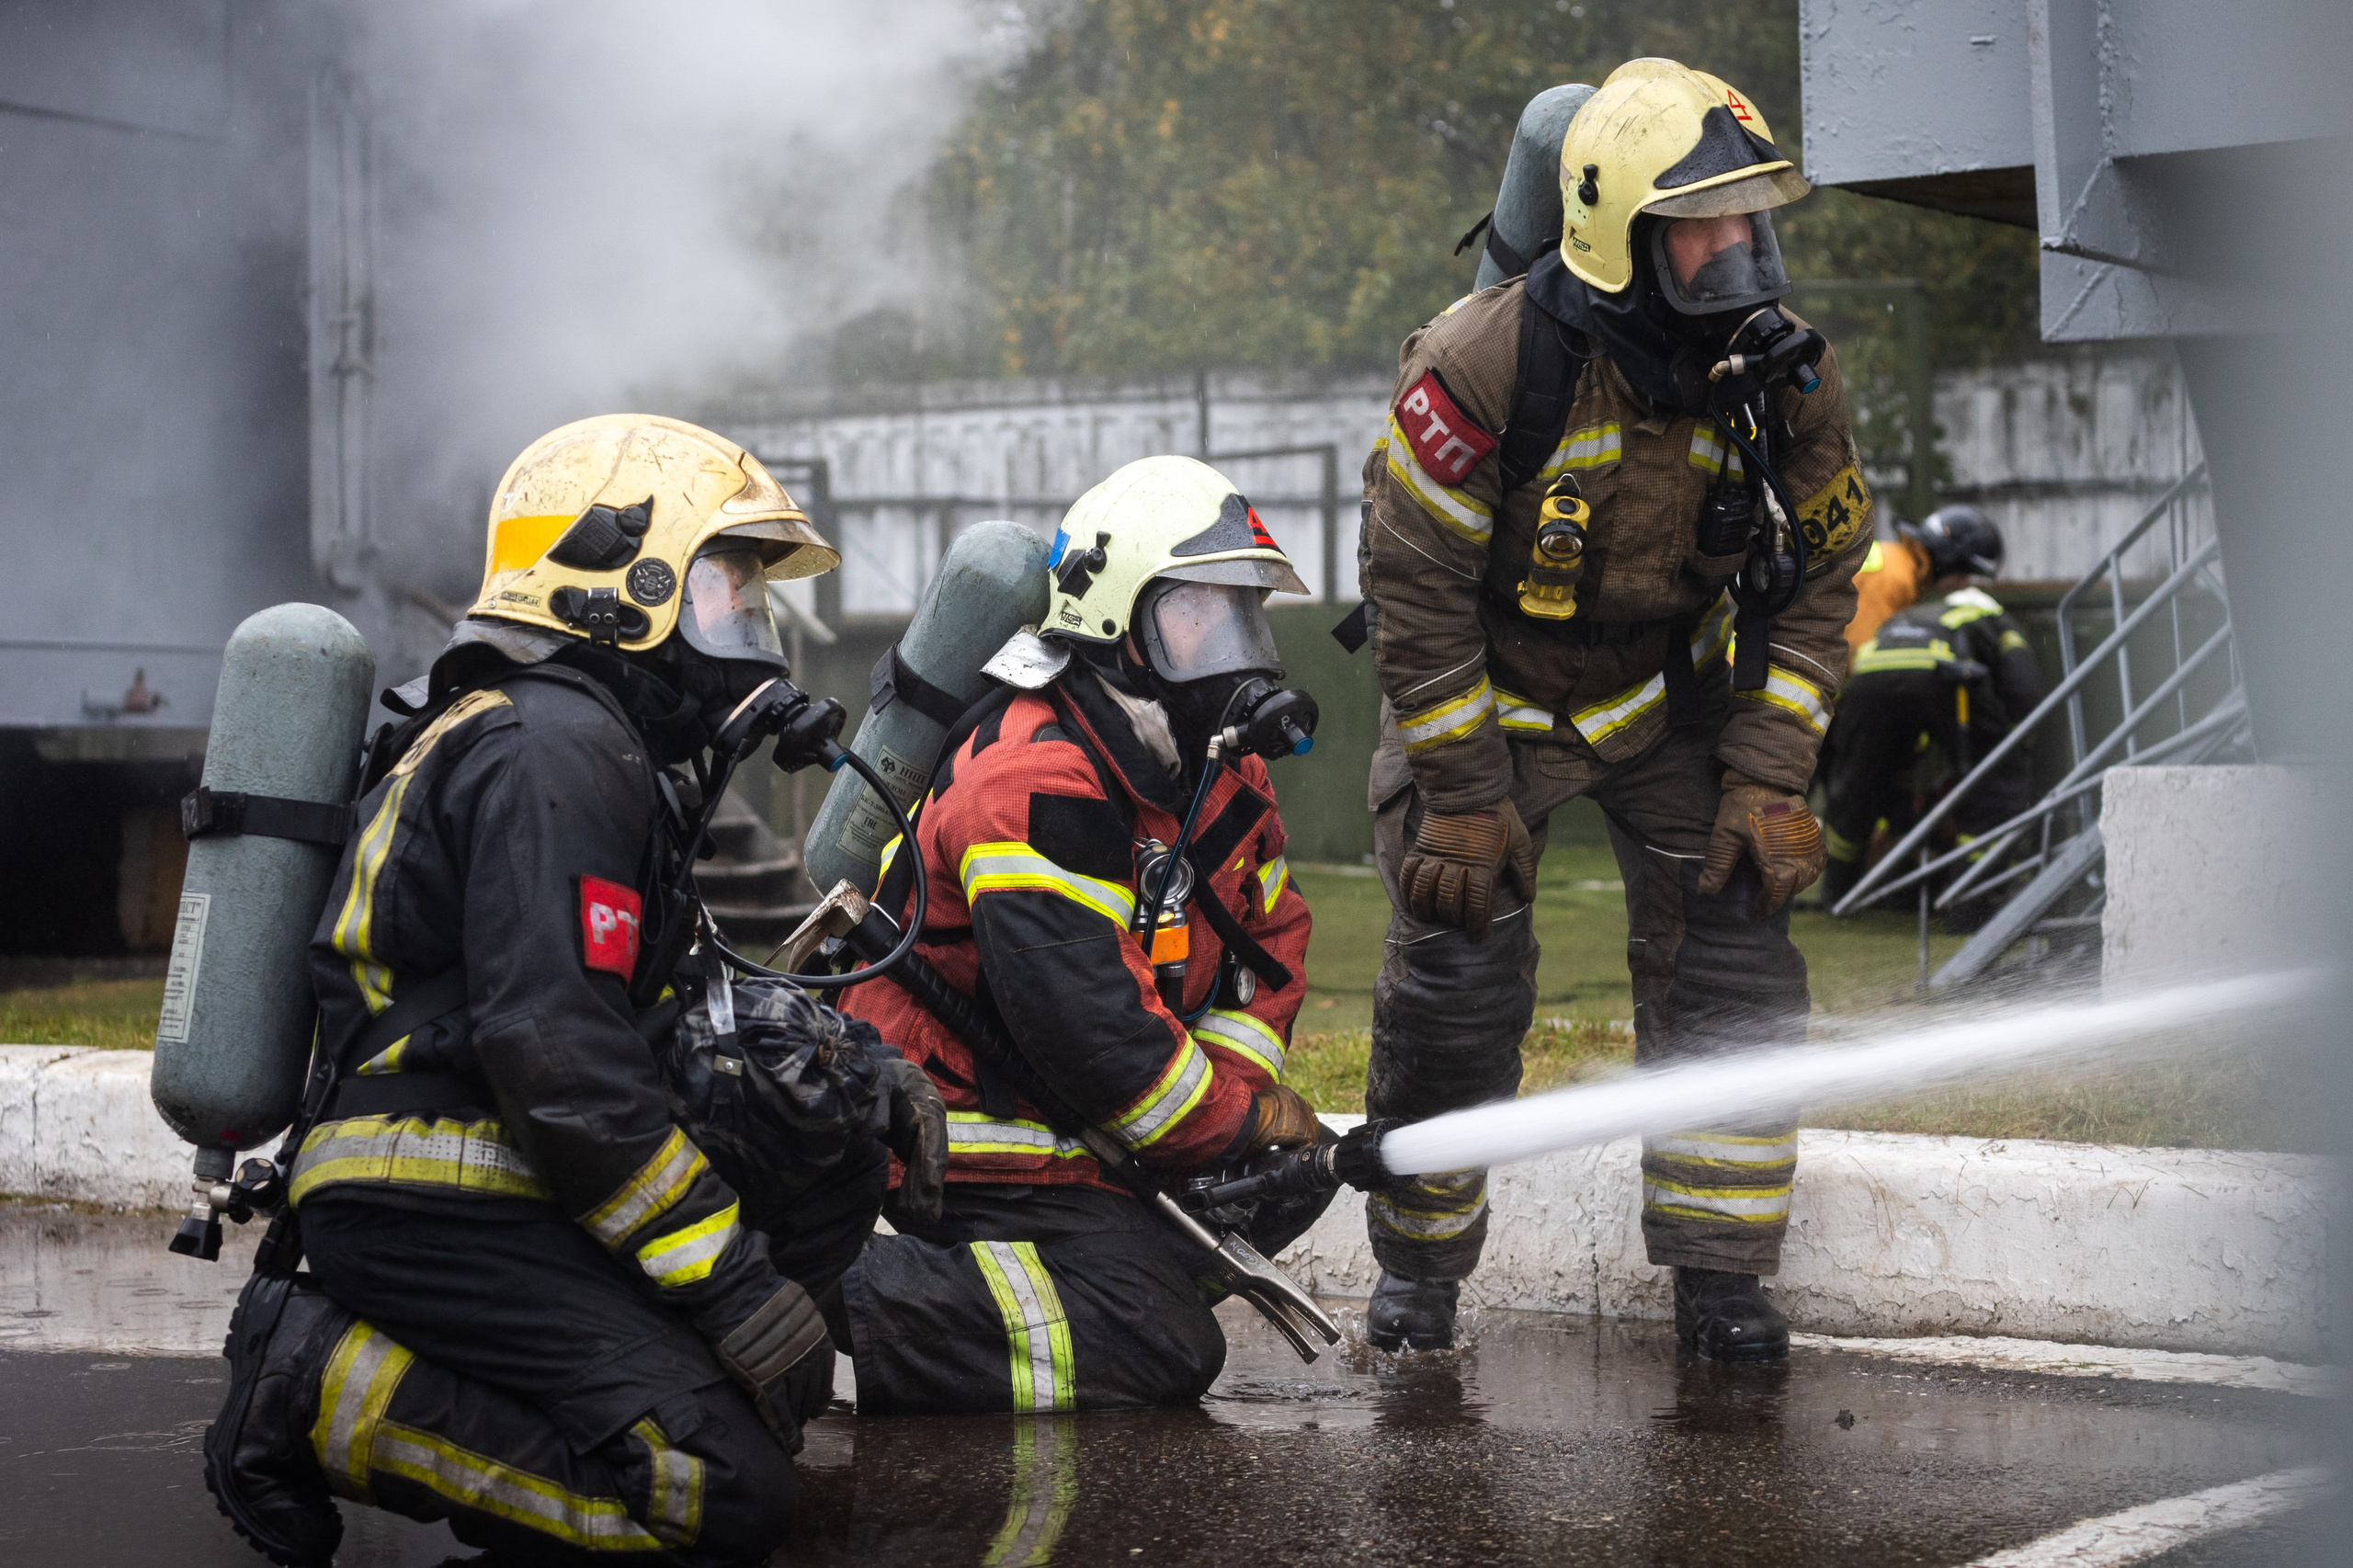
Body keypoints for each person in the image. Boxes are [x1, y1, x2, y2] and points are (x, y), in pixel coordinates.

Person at [206, 415, 924, 1566]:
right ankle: (317, 1378)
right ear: (619, 584)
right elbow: (560, 1057)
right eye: (728, 586)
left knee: (749, 1386)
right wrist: (733, 1286)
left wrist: (853, 1072)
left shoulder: (575, 738)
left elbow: (644, 1023)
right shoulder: (557, 746)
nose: (755, 629)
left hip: (483, 1164)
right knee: (717, 1494)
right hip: (431, 1189)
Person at [1353, 59, 1873, 1360]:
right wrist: (1464, 802)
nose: (1741, 248)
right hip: (1488, 699)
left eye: (1752, 218)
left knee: (1739, 953)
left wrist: (1767, 776)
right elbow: (1413, 594)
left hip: (1667, 703)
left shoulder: (1788, 381)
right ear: (1620, 238)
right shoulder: (1482, 363)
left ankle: (1723, 1280)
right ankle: (1419, 1270)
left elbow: (1818, 588)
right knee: (1458, 975)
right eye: (1706, 222)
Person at [836, 455, 1333, 1414]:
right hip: (975, 1139)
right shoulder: (1029, 782)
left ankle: (1102, 1285)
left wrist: (1239, 1110)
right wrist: (1227, 1122)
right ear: (1117, 622)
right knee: (1163, 1347)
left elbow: (1269, 952)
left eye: (1248, 615)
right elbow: (1094, 1036)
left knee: (1287, 1174)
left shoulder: (1217, 770)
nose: (1242, 647)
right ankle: (830, 1309)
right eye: (1204, 614)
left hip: (1085, 1129)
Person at [1819, 506, 2045, 910]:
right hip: (1798, 691)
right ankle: (1973, 896)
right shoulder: (1893, 575)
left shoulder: (1896, 573)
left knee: (1858, 788)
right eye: (1964, 573)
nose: (1963, 585)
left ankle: (1842, 892)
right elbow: (1857, 654)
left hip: (1810, 687)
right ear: (1946, 560)